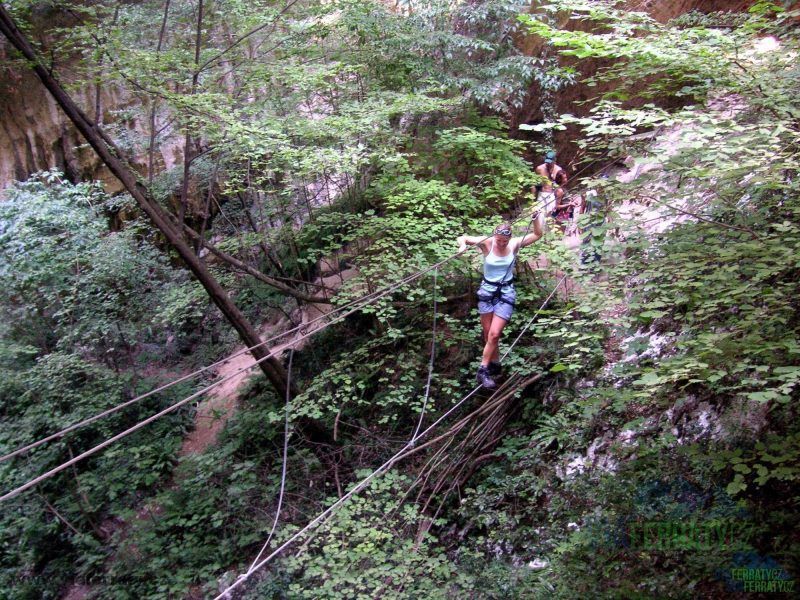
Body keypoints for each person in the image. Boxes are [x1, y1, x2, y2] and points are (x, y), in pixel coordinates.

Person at [456, 212, 546, 389]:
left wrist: (535, 220)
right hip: (487, 291)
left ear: (509, 239)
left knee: (495, 334)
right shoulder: (487, 242)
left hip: (506, 292)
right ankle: (495, 363)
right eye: (499, 241)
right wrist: (461, 246)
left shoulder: (513, 244)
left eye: (504, 241)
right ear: (494, 236)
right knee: (488, 333)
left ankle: (482, 370)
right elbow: (463, 237)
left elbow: (537, 234)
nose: (502, 244)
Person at [535, 150, 568, 216]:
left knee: (549, 215)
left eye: (550, 162)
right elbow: (535, 183)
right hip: (542, 194)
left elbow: (562, 183)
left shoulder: (558, 169)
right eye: (547, 162)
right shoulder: (539, 168)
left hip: (553, 194)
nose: (549, 164)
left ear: (554, 160)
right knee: (539, 215)